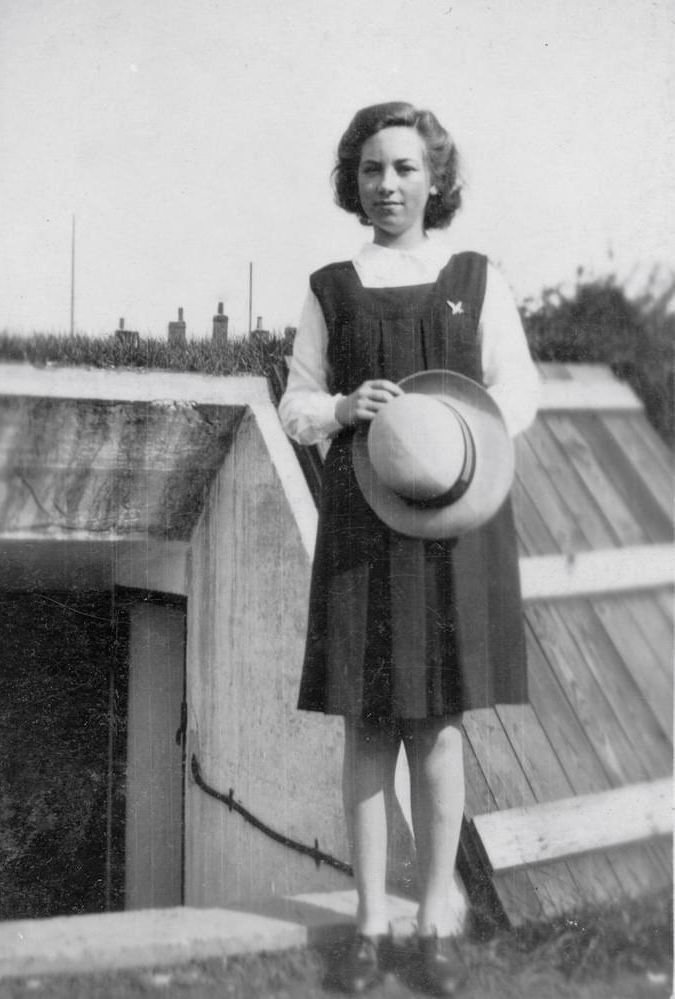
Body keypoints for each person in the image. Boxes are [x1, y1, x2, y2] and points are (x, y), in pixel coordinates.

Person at [278, 102, 539, 996]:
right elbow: (296, 403)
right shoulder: (330, 286)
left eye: (403, 169)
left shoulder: (475, 278)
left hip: (454, 521)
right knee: (367, 722)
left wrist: (450, 439)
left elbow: (519, 389)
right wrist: (345, 411)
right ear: (352, 181)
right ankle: (368, 921)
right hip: (360, 524)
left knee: (436, 726)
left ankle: (435, 915)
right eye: (369, 170)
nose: (386, 186)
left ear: (435, 179)